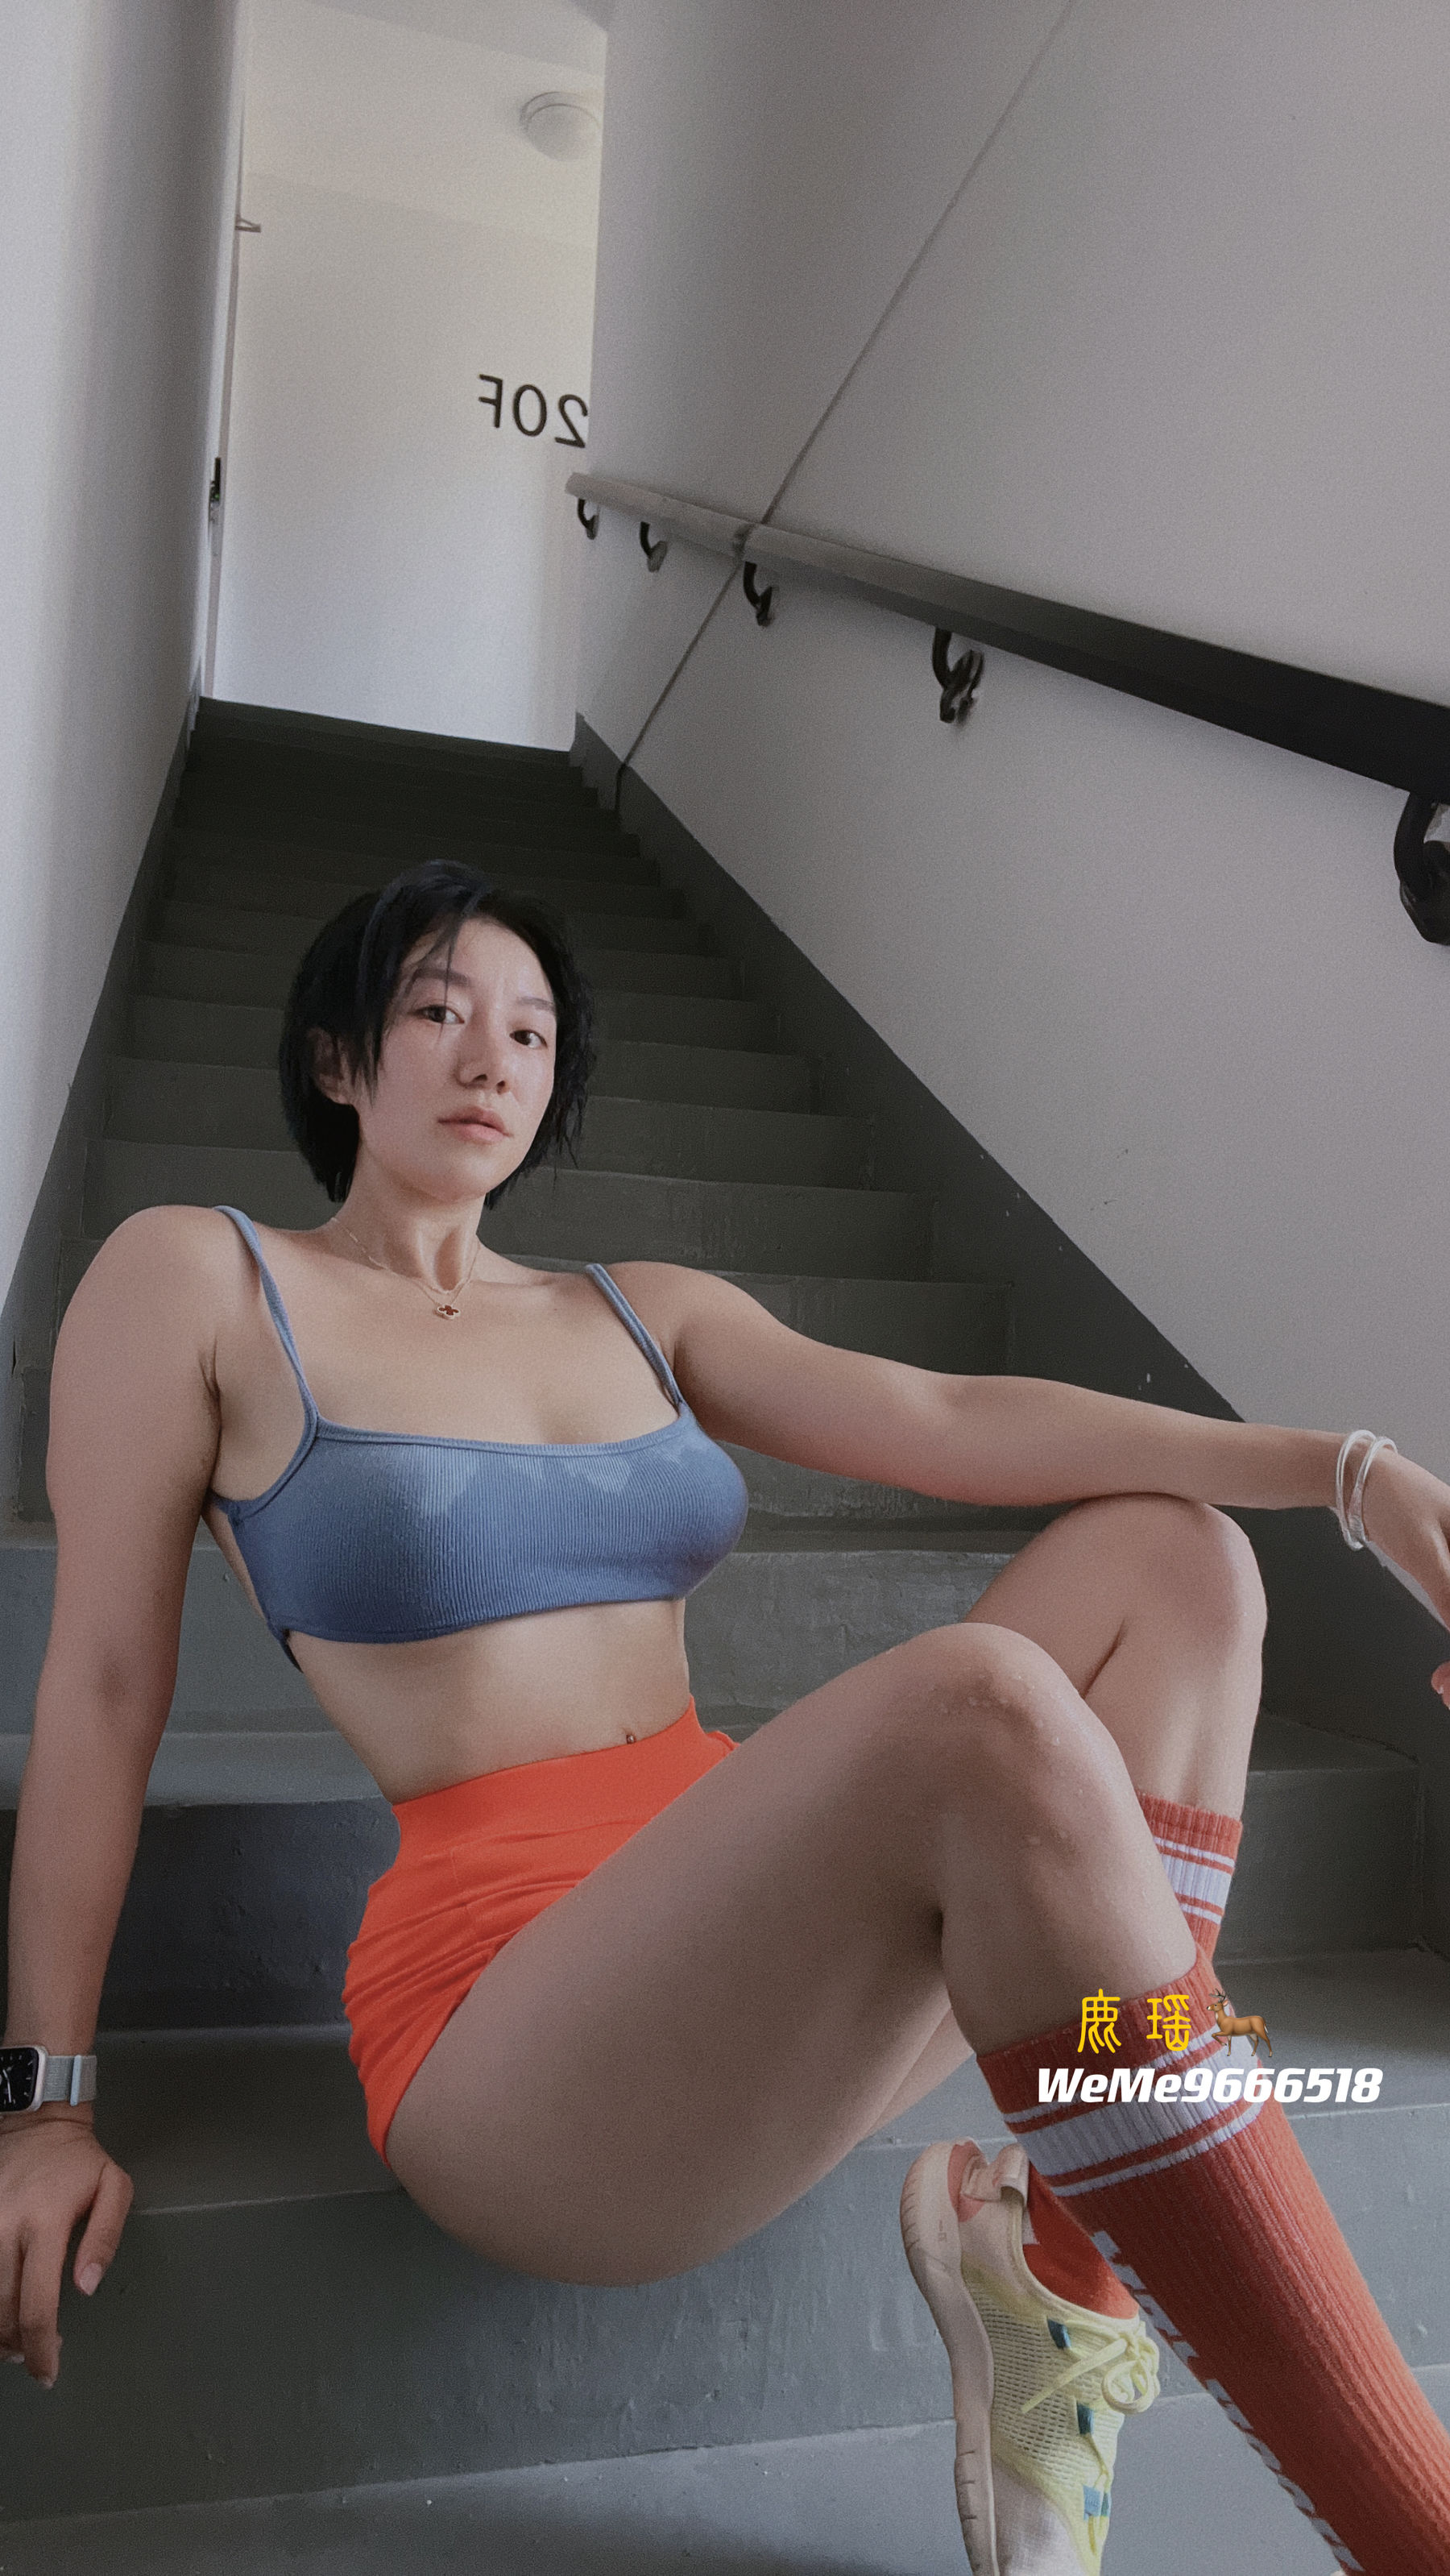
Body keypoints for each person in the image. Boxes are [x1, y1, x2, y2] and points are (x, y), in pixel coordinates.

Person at [2, 857, 1448, 2576]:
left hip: (742, 1935)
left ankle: (1059, 2286)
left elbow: (946, 1413)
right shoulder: (202, 1282)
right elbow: (103, 1689)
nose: (489, 1057)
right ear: (335, 1059)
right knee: (977, 1706)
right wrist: (45, 2104)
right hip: (508, 2021)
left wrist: (1349, 1474)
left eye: (530, 1031)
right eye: (437, 1009)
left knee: (1184, 1564)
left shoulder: (639, 1309)